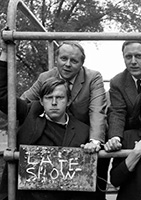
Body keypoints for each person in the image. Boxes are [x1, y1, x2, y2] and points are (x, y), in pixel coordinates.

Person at [0, 44, 98, 199]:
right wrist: (5, 53)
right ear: (40, 100)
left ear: (68, 101)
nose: (53, 102)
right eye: (48, 98)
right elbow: (2, 94)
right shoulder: (29, 113)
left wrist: (90, 148)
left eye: (59, 98)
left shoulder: (82, 131)